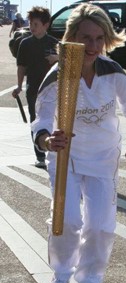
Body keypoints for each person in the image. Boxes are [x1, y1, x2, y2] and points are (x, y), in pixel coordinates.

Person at [31, 3, 126, 283]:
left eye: (99, 38)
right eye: (85, 38)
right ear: (72, 37)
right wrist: (46, 140)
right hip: (66, 156)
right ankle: (61, 274)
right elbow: (41, 120)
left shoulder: (113, 72)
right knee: (67, 220)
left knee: (100, 225)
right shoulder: (58, 75)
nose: (92, 46)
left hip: (103, 158)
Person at [12, 7, 58, 168]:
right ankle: (39, 155)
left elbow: (67, 62)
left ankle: (53, 150)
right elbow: (21, 67)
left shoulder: (54, 43)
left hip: (52, 90)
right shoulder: (25, 43)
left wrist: (57, 57)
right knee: (36, 121)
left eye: (36, 24)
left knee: (53, 120)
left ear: (46, 25)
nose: (32, 27)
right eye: (31, 23)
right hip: (33, 90)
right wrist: (18, 86)